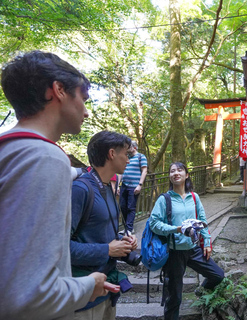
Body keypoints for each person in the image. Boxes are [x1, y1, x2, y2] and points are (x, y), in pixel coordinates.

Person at [0, 51, 115, 320]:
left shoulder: (12, 153)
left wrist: (72, 172)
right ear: (58, 90)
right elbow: (28, 296)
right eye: (83, 98)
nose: (86, 112)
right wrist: (89, 285)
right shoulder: (43, 159)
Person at [71, 131, 138, 319]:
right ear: (111, 154)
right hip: (85, 299)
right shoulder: (80, 189)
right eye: (126, 154)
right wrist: (107, 250)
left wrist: (122, 242)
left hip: (107, 291)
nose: (128, 160)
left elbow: (99, 233)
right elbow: (59, 249)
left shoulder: (107, 186)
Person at [149, 162, 224, 320]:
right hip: (174, 252)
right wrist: (176, 229)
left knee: (217, 275)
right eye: (172, 171)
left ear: (187, 175)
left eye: (179, 170)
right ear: (170, 176)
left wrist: (207, 243)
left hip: (194, 249)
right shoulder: (164, 199)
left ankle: (200, 292)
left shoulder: (194, 197)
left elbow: (202, 221)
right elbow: (153, 223)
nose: (176, 173)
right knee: (174, 296)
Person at [118, 141, 147, 233]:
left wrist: (140, 185)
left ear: (134, 147)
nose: (126, 149)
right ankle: (127, 227)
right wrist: (118, 185)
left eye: (128, 147)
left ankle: (129, 229)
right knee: (123, 206)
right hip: (124, 185)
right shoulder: (127, 158)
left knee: (131, 207)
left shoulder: (140, 157)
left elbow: (144, 171)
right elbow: (121, 172)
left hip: (134, 186)